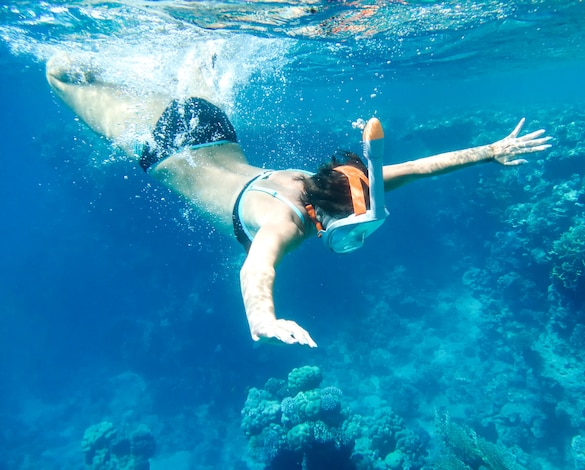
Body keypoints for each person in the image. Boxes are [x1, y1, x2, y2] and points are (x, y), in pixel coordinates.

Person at [45, 53, 552, 348]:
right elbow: (255, 271)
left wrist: (492, 151)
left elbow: (420, 168)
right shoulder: (286, 224)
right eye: (354, 226)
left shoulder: (330, 183)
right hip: (164, 148)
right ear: (328, 213)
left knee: (183, 64)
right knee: (58, 75)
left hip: (210, 126)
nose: (357, 230)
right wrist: (262, 319)